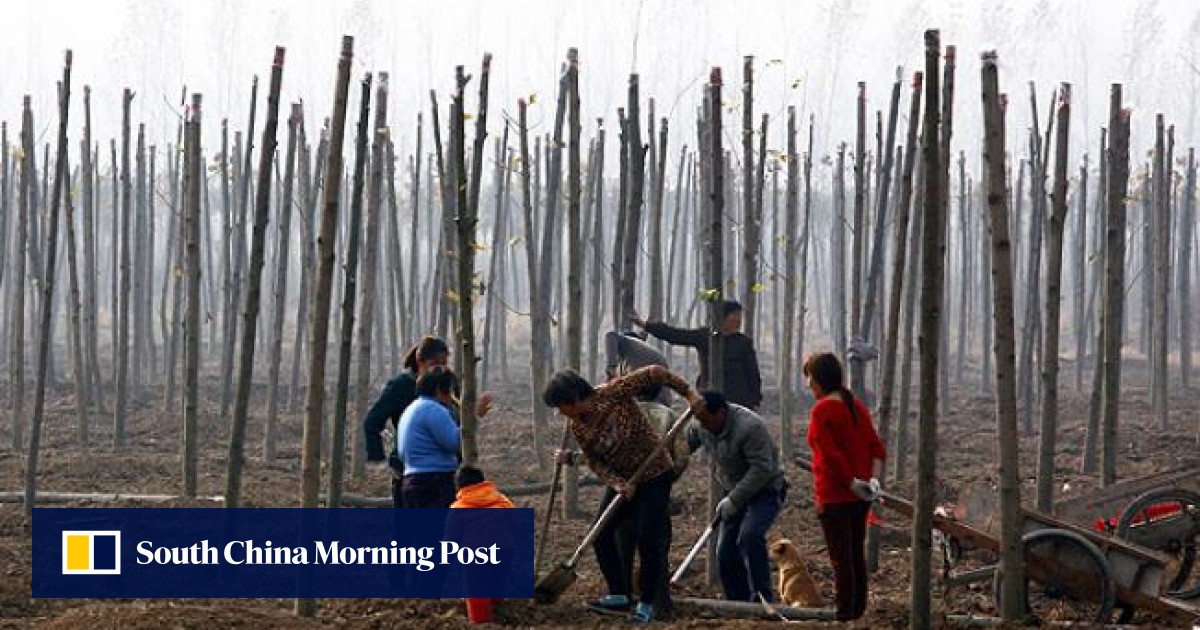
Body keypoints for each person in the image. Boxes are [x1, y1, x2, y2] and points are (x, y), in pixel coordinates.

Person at [543, 365, 702, 623]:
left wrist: (689, 394)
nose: (560, 413)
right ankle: (619, 594)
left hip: (654, 474)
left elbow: (655, 373)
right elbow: (595, 462)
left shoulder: (613, 392)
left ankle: (647, 602)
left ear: (572, 399)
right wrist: (616, 483)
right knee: (601, 534)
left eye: (560, 406)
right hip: (623, 480)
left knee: (648, 539)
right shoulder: (578, 427)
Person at [803, 352, 886, 622]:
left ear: (819, 379)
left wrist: (850, 483)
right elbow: (876, 447)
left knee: (841, 560)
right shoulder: (856, 405)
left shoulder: (822, 410)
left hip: (835, 496)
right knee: (855, 556)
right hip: (859, 497)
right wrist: (872, 481)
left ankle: (844, 615)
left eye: (809, 377)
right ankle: (857, 612)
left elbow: (829, 456)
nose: (807, 384)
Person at [362, 336, 492, 507]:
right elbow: (372, 422)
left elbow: (456, 426)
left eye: (444, 364)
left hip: (442, 473)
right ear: (419, 362)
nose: (440, 369)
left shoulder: (445, 386)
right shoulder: (402, 388)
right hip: (413, 473)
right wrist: (379, 460)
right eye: (435, 364)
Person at [685, 391, 786, 603]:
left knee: (750, 536)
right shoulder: (702, 425)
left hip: (765, 490)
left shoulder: (749, 427)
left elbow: (762, 469)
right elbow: (685, 446)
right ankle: (737, 603)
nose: (703, 425)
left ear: (721, 413)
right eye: (699, 420)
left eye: (706, 420)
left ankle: (762, 599)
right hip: (732, 489)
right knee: (725, 552)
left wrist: (734, 500)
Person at [631, 300, 763, 410]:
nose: (739, 320)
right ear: (723, 317)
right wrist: (646, 326)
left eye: (740, 316)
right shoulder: (705, 336)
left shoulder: (744, 343)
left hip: (739, 400)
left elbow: (752, 372)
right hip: (709, 396)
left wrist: (755, 399)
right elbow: (675, 335)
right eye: (735, 315)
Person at [396, 367, 468, 509]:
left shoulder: (411, 408)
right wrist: (474, 418)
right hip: (434, 482)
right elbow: (455, 443)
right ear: (440, 389)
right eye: (450, 390)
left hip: (411, 480)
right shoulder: (435, 410)